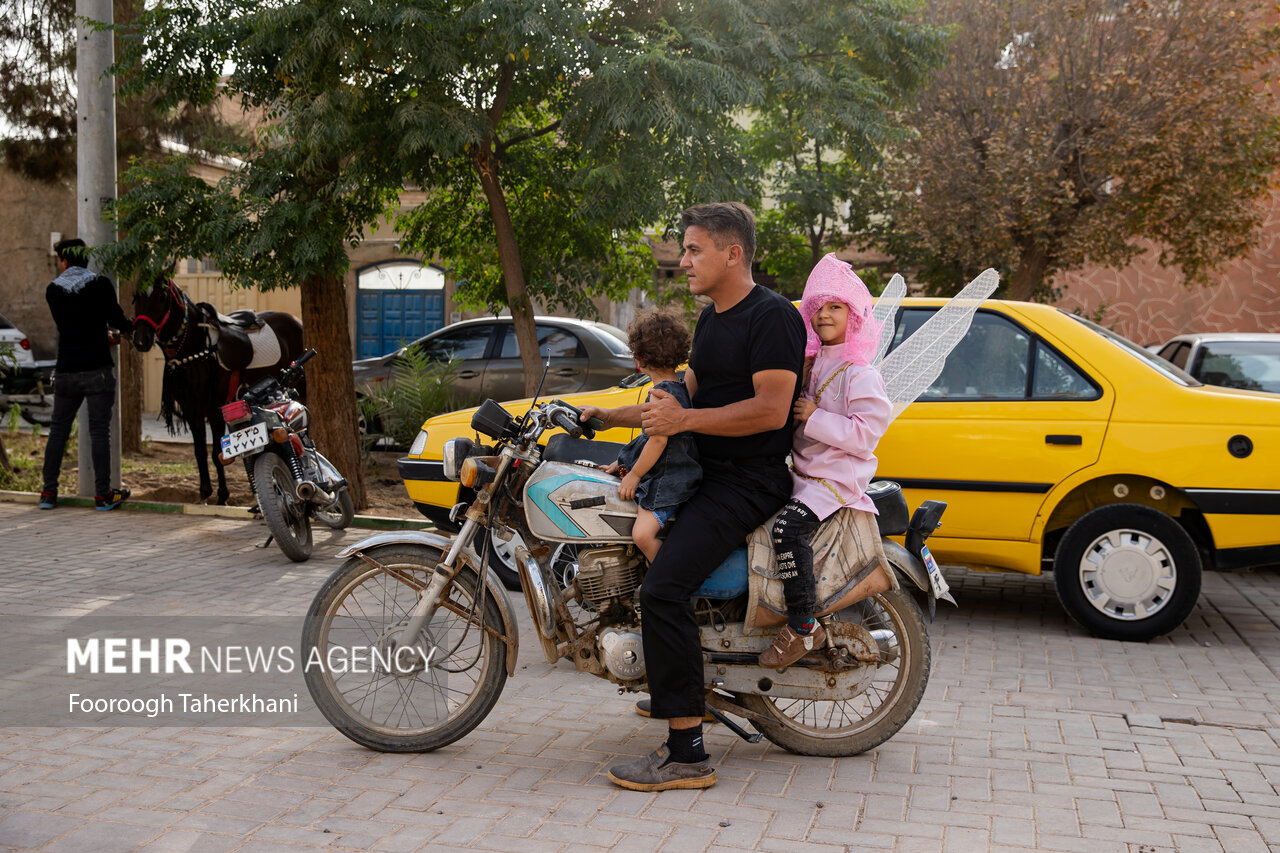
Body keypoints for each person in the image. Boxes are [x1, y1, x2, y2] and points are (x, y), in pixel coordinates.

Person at [582, 202, 806, 792]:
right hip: (704, 472)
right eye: (685, 250)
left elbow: (770, 411)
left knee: (663, 589)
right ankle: (684, 683)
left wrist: (683, 424)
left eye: (693, 249)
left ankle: (686, 755)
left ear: (732, 253)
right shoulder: (710, 320)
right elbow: (679, 403)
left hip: (746, 481)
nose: (683, 261)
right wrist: (609, 416)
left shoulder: (773, 317)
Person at [759, 253, 893, 668]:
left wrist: (815, 417)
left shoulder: (860, 374)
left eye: (835, 307)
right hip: (802, 473)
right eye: (818, 308)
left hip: (834, 479)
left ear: (853, 316)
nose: (823, 315)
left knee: (786, 530)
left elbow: (865, 435)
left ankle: (802, 627)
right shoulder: (813, 365)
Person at [39, 238, 133, 511]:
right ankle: (103, 496)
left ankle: (48, 493)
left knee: (58, 432)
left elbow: (71, 326)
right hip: (97, 371)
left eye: (59, 260)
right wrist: (128, 329)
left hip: (66, 371)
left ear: (65, 262)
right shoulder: (100, 285)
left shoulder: (52, 291)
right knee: (99, 433)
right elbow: (117, 320)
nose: (59, 265)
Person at [600, 310, 700, 564]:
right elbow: (648, 439)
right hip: (675, 472)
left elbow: (658, 441)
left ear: (640, 358)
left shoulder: (660, 395)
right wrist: (621, 465)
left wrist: (633, 475)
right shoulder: (676, 387)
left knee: (642, 535)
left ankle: (667, 582)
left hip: (668, 481)